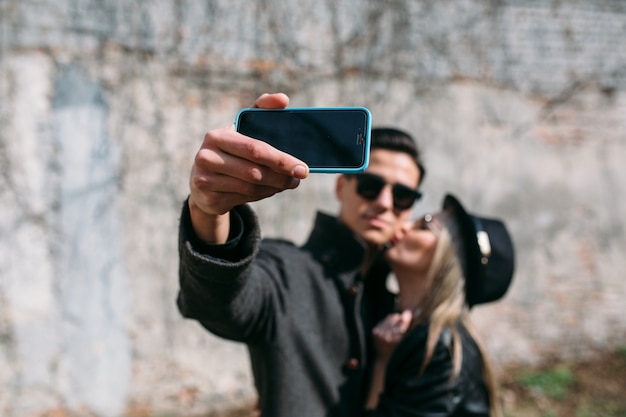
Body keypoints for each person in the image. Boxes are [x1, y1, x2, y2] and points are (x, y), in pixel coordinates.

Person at [177, 92, 427, 417]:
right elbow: (219, 303)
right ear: (341, 187)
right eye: (369, 185)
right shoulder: (284, 270)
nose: (384, 202)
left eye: (403, 195)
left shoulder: (392, 303)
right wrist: (208, 210)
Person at [364, 194, 515, 417]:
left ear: (449, 258)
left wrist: (382, 364)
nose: (404, 227)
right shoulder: (426, 334)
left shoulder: (438, 349)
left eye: (424, 226)